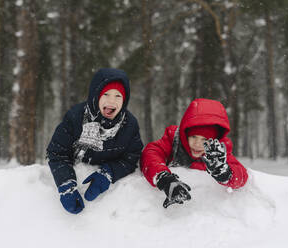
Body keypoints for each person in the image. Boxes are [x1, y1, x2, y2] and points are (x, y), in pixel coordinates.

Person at [47, 68, 143, 214]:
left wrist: (109, 172)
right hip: (77, 171)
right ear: (96, 95)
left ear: (124, 100)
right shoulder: (76, 117)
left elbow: (131, 158)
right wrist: (66, 184)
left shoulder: (129, 125)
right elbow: (57, 153)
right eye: (106, 94)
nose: (112, 100)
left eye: (118, 96)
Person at [140, 98, 248, 208]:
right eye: (193, 137)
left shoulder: (217, 154)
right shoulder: (174, 141)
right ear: (185, 134)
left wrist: (225, 173)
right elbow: (151, 153)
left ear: (213, 141)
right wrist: (164, 178)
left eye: (204, 140)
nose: (197, 144)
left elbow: (242, 175)